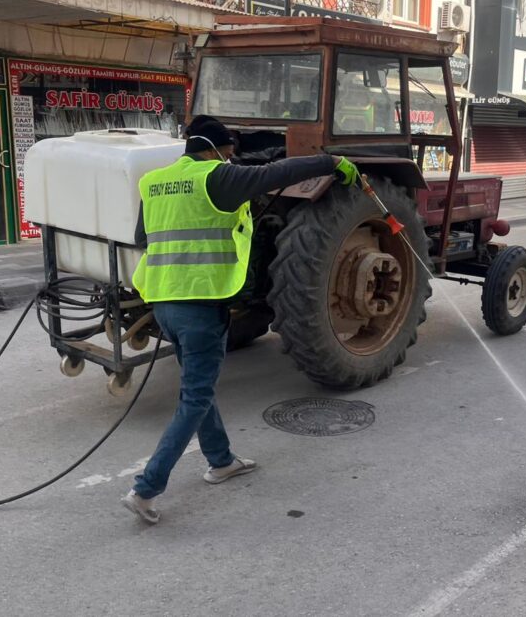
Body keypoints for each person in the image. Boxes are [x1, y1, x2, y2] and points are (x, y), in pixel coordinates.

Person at [122, 115, 361, 524]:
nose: (231, 158)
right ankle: (145, 489)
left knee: (198, 386)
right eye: (229, 151)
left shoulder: (154, 182)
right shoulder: (216, 178)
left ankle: (221, 461)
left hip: (163, 302)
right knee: (194, 397)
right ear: (215, 148)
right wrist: (330, 163)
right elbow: (277, 172)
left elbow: (144, 238)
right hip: (200, 304)